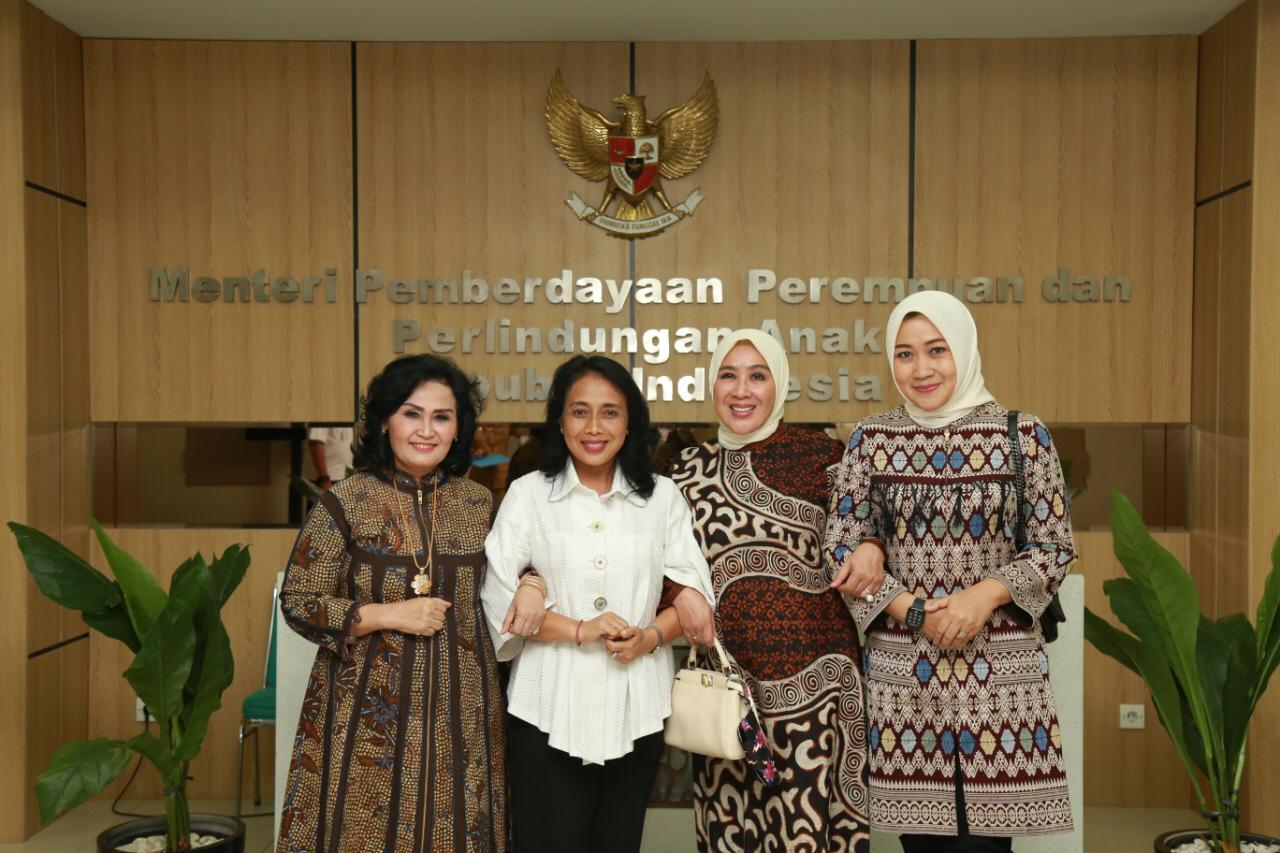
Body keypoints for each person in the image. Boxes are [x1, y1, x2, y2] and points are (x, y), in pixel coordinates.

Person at [825, 291, 1075, 851]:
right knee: (923, 842)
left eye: (936, 350)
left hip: (999, 680)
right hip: (906, 677)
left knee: (987, 845)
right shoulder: (872, 439)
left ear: (963, 348)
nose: (921, 369)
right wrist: (914, 611)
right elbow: (841, 547)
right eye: (905, 354)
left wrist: (984, 596)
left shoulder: (1023, 435)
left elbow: (1054, 547)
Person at [481, 355, 715, 853]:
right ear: (559, 421)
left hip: (637, 707)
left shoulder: (662, 498)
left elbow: (692, 590)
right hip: (545, 707)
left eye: (610, 412)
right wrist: (579, 629)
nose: (593, 427)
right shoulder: (528, 496)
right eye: (579, 411)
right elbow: (500, 602)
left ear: (630, 423)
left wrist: (651, 636)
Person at [278, 354, 507, 852]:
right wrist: (384, 615)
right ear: (385, 421)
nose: (426, 430)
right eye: (411, 414)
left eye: (441, 417)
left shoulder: (480, 506)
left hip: (461, 707)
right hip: (365, 711)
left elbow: (517, 576)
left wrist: (531, 583)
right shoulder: (346, 501)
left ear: (457, 429)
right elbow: (298, 600)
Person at [665, 329, 877, 852]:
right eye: (728, 376)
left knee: (807, 834)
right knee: (729, 830)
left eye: (757, 376)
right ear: (712, 384)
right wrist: (677, 592)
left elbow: (871, 528)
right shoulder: (686, 470)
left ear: (779, 383)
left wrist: (872, 544)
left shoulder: (824, 457)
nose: (741, 391)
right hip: (727, 686)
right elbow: (658, 557)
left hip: (820, 686)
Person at [307, 424, 353, 489]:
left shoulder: (348, 420)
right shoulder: (323, 418)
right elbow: (316, 444)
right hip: (327, 480)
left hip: (345, 478)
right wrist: (324, 480)